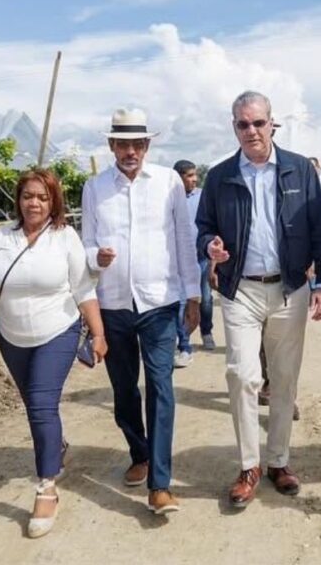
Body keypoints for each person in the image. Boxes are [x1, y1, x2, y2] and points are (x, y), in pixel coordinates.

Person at [195, 90, 321, 508]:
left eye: (258, 122)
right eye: (243, 124)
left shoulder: (298, 170)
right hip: (239, 290)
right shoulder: (220, 176)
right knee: (241, 374)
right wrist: (210, 246)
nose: (251, 131)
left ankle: (278, 460)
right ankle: (248, 465)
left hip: (290, 288)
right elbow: (203, 227)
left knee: (285, 378)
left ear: (271, 123)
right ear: (234, 127)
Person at [0, 168, 106, 539]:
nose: (34, 203)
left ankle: (47, 486)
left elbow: (83, 288)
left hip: (57, 330)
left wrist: (97, 332)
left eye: (42, 197)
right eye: (28, 195)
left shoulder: (64, 237)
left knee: (43, 404)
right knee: (33, 404)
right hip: (12, 337)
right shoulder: (2, 236)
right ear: (18, 199)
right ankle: (55, 444)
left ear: (53, 202)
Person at [81, 108, 201, 515]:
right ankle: (140, 451)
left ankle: (160, 484)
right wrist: (96, 257)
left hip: (159, 302)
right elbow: (84, 246)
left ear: (148, 146)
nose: (130, 151)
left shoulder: (168, 182)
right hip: (113, 303)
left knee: (161, 386)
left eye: (138, 144)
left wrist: (194, 295)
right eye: (122, 144)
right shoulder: (95, 187)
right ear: (111, 146)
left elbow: (185, 240)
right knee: (123, 390)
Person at [173, 159, 216, 363]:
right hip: (180, 260)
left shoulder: (203, 197)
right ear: (179, 177)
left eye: (195, 175)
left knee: (205, 300)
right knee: (181, 303)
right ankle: (184, 343)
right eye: (189, 176)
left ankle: (206, 332)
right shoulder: (170, 198)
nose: (194, 179)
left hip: (202, 258)